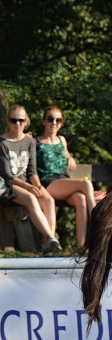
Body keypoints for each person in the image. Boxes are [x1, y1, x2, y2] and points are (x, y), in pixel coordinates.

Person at [36, 105, 97, 248]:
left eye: (58, 120)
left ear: (61, 123)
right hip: (48, 184)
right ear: (44, 121)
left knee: (81, 198)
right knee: (86, 184)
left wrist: (70, 158)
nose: (54, 123)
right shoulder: (35, 141)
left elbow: (67, 154)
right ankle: (97, 219)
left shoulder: (62, 140)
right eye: (50, 119)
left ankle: (82, 246)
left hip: (64, 182)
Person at [1, 105, 61, 252]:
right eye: (13, 120)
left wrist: (38, 186)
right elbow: (7, 175)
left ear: (26, 121)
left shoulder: (30, 142)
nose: (17, 124)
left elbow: (32, 171)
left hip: (27, 183)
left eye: (21, 120)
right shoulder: (2, 143)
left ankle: (48, 246)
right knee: (31, 198)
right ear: (8, 121)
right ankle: (50, 238)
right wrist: (29, 187)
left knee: (48, 199)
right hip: (9, 186)